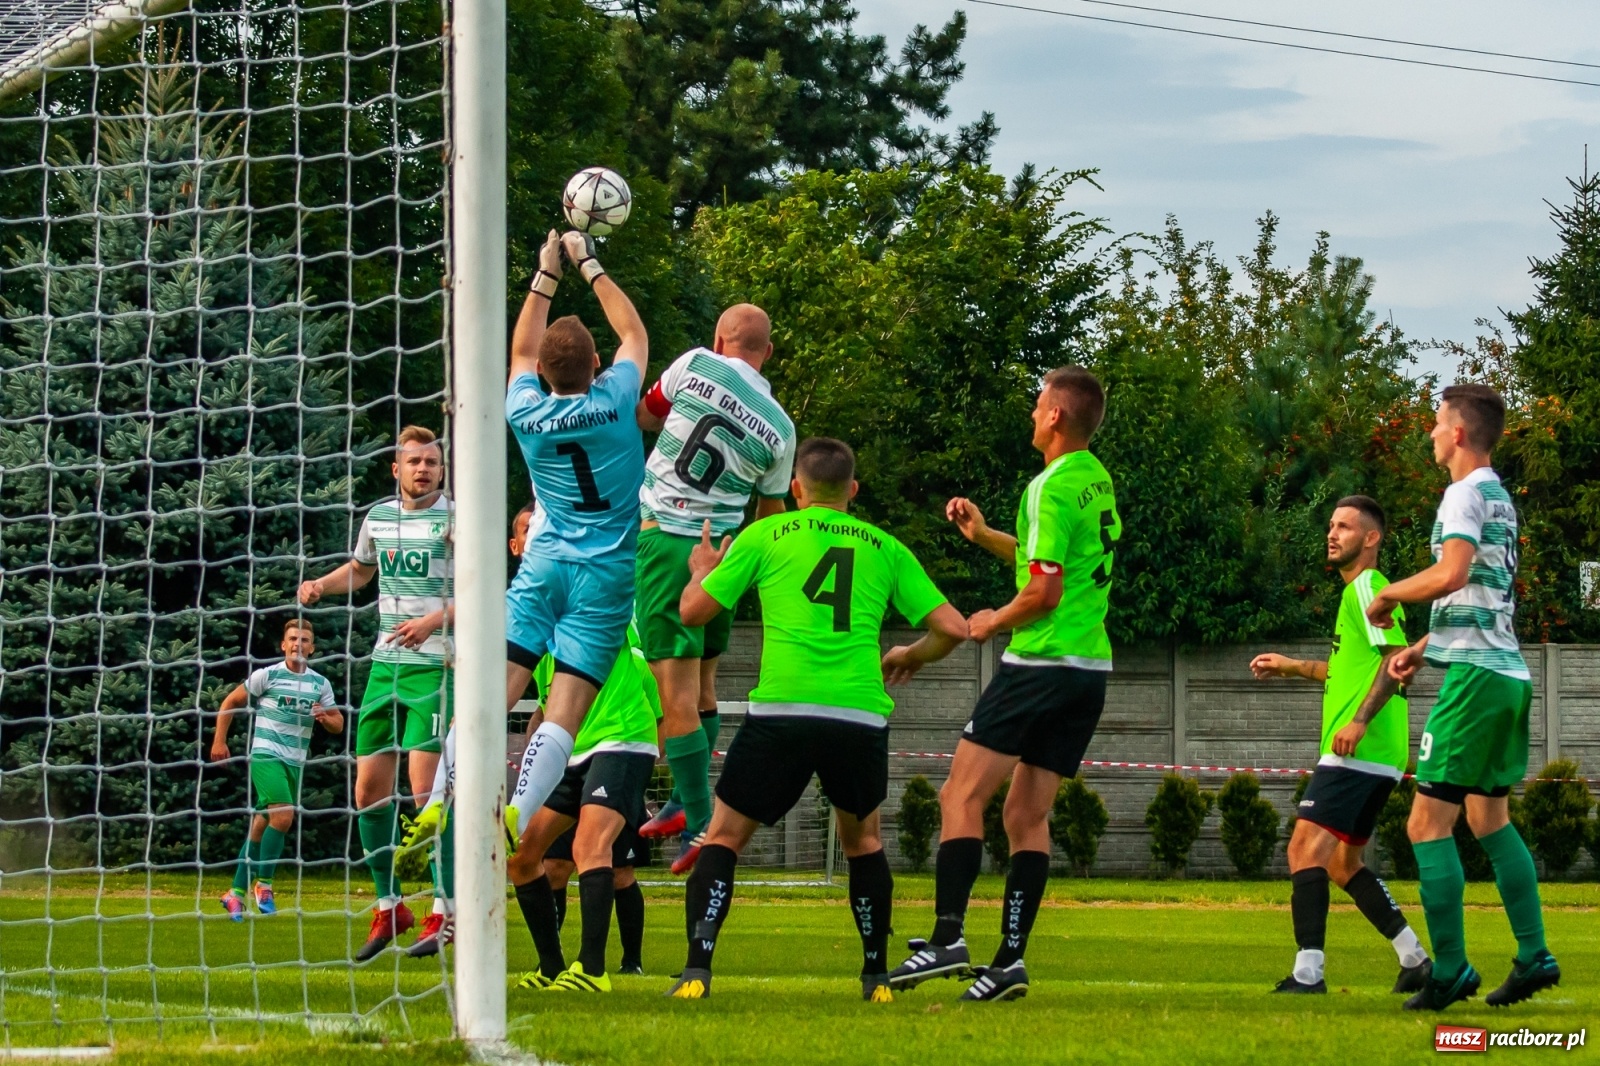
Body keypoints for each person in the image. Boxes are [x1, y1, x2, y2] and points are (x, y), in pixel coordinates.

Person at [665, 437, 968, 1003]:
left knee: (724, 840)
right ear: (852, 490)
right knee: (863, 844)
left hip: (782, 708)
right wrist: (910, 655)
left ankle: (696, 973)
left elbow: (692, 612)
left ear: (797, 489)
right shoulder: (885, 546)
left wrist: (702, 569)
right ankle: (876, 978)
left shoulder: (765, 534)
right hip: (856, 713)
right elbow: (955, 628)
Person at [889, 367, 1119, 1003]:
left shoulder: (1048, 487)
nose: (1032, 411)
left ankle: (947, 938)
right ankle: (1010, 961)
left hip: (1041, 664)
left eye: (1038, 402)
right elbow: (1056, 564)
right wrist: (986, 536)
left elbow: (1043, 591)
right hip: (1088, 672)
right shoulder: (1094, 480)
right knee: (1025, 814)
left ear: (1055, 418)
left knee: (959, 796)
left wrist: (994, 619)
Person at [1365, 384, 1560, 1012]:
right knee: (1488, 818)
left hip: (1476, 681)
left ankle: (1448, 970)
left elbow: (1450, 574)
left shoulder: (1462, 493)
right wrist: (1424, 648)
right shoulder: (1498, 496)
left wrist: (1392, 591)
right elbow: (1478, 594)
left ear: (1457, 433)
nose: (1429, 432)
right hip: (1506, 672)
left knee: (1426, 822)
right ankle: (1533, 956)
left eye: (1436, 423)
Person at [633, 305, 796, 875]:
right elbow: (772, 517)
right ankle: (682, 802)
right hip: (723, 559)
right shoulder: (780, 426)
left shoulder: (695, 364)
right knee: (704, 686)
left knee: (671, 699)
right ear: (767, 353)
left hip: (666, 545)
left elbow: (646, 415)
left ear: (719, 339)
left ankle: (703, 828)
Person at [1249, 496, 1431, 994]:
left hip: (1360, 751)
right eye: (1331, 525)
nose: (1332, 534)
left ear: (1370, 539)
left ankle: (1309, 974)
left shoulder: (1370, 586)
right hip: (1379, 755)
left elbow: (1396, 659)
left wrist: (1357, 721)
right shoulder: (1354, 594)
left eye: (1345, 527)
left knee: (1303, 849)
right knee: (1340, 863)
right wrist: (1292, 666)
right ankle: (1413, 958)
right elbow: (1357, 667)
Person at [503, 230, 649, 838]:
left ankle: (440, 799)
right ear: (597, 365)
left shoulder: (525, 410)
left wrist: (547, 275)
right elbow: (634, 335)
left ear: (541, 371)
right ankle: (516, 812)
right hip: (604, 577)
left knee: (498, 688)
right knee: (563, 712)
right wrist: (590, 263)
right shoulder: (615, 399)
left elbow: (517, 355)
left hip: (543, 564)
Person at [299, 426, 453, 959]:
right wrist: (322, 584)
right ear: (396, 468)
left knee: (423, 791)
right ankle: (390, 907)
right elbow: (362, 572)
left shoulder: (455, 518)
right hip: (385, 667)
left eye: (431, 462)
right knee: (368, 792)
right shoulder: (379, 518)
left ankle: (445, 908)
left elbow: (486, 589)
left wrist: (437, 619)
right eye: (414, 461)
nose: (423, 469)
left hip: (437, 668)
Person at [508, 625, 663, 993]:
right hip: (571, 751)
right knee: (522, 856)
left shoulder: (599, 599)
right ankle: (550, 967)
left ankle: (593, 969)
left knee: (590, 847)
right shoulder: (543, 643)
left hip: (621, 741)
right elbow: (546, 710)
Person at [210, 619, 343, 919]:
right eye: (293, 639)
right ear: (284, 644)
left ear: (312, 647)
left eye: (304, 640)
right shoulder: (267, 676)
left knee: (261, 824)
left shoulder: (319, 684)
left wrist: (325, 717)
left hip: (295, 761)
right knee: (283, 816)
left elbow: (338, 724)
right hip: (265, 755)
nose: (298, 644)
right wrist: (220, 740)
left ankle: (235, 893)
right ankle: (265, 884)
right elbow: (230, 701)